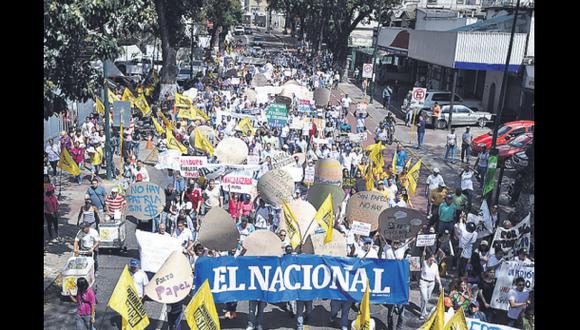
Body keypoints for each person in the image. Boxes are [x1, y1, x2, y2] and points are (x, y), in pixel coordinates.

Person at [419, 252, 442, 320]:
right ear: (428, 259)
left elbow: (437, 275)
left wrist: (440, 284)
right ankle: (422, 314)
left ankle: (424, 309)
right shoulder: (424, 263)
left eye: (433, 260)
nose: (432, 261)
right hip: (423, 282)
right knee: (424, 298)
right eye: (431, 260)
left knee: (427, 298)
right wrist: (423, 255)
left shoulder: (435, 265)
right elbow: (422, 259)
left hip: (432, 283)